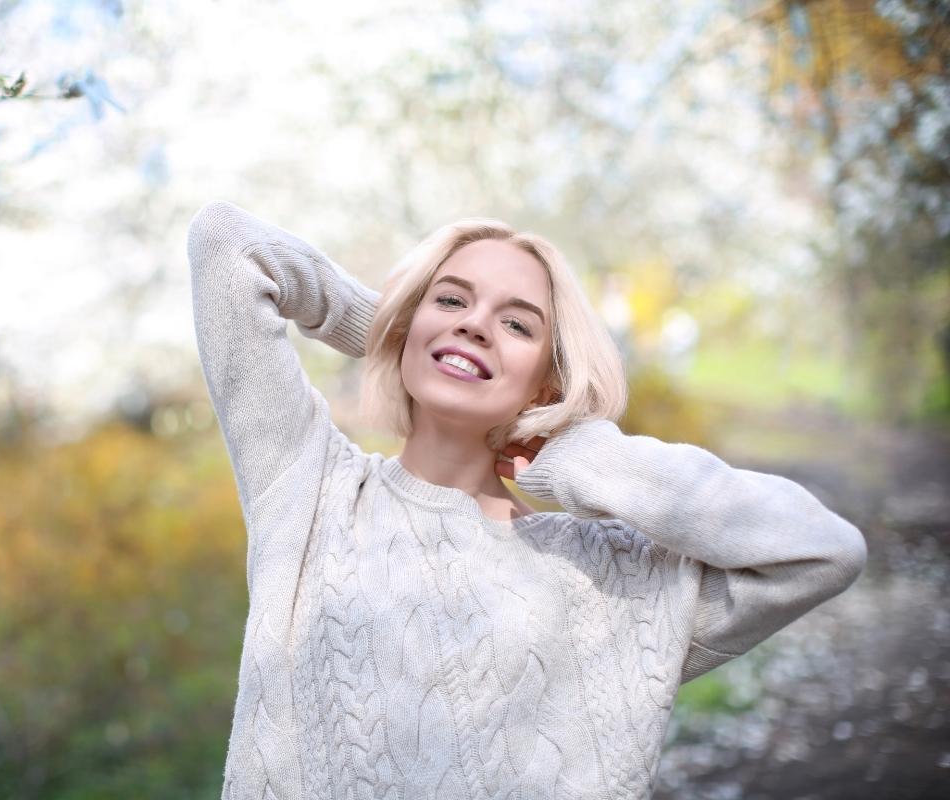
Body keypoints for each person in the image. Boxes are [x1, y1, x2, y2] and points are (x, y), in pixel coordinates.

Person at [187, 200, 867, 800]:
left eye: (516, 325)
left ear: (547, 383)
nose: (476, 324)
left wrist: (585, 459)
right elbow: (228, 244)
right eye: (451, 300)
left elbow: (821, 549)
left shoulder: (611, 581)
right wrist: (392, 332)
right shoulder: (311, 490)